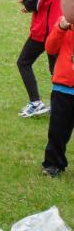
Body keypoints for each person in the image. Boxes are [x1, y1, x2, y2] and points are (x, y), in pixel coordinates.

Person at [16, 0, 62, 117]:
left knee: (23, 62)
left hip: (44, 32)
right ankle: (61, 105)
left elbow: (34, 4)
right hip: (59, 29)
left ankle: (36, 103)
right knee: (56, 70)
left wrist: (26, 0)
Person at [42, 15, 74, 177]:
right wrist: (61, 28)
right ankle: (53, 164)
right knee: (58, 131)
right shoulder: (64, 21)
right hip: (63, 89)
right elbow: (50, 48)